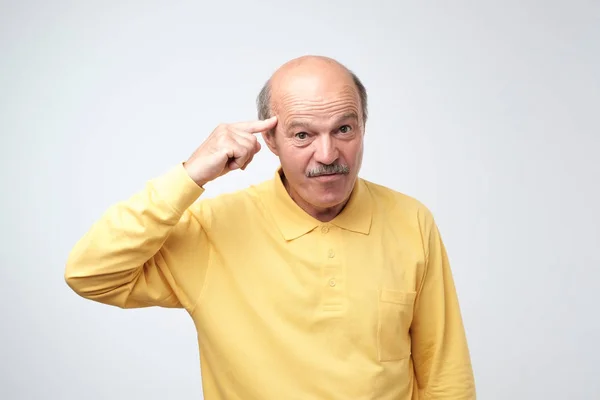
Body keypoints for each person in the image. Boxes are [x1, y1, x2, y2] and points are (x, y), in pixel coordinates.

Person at [65, 55, 476, 399]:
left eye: (344, 129)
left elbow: (444, 370)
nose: (328, 153)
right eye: (303, 135)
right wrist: (191, 175)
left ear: (364, 127)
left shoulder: (410, 220)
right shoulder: (214, 229)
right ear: (271, 139)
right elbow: (91, 274)